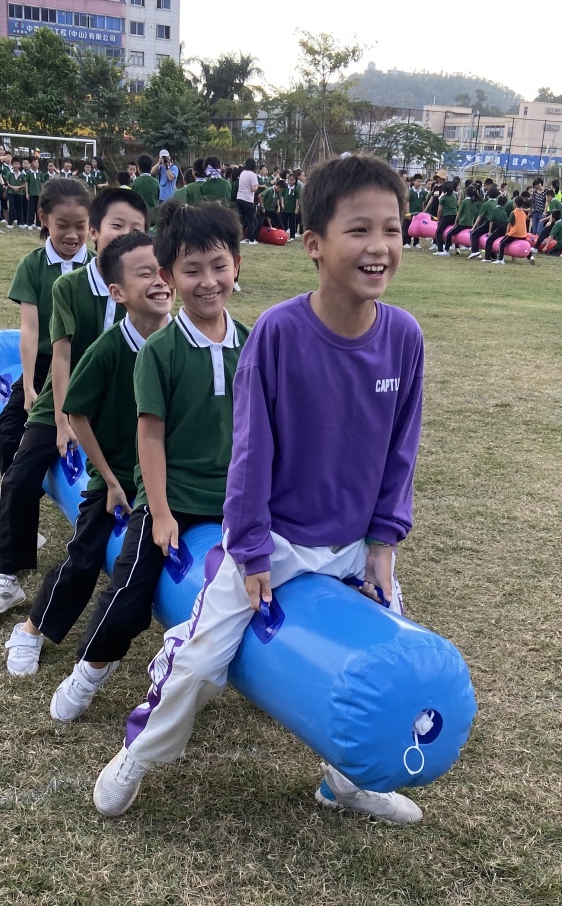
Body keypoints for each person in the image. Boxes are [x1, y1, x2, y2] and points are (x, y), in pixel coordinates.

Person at [93, 153, 425, 825]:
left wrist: (383, 545)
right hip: (272, 540)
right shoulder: (277, 333)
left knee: (381, 662)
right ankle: (139, 753)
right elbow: (250, 454)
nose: (379, 246)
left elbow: (401, 451)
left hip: (354, 545)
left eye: (392, 230)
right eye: (359, 230)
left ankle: (348, 781)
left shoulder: (404, 337)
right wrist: (248, 551)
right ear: (314, 244)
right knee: (198, 666)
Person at [47, 199, 249, 721]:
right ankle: (89, 670)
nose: (208, 281)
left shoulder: (252, 345)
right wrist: (158, 512)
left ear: (237, 265)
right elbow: (150, 437)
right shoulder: (160, 351)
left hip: (235, 500)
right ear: (168, 276)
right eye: (192, 270)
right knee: (131, 592)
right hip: (173, 496)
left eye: (219, 266)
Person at [3, 232, 173, 677]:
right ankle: (31, 628)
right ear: (117, 292)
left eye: (163, 271)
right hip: (118, 473)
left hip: (169, 477)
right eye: (145, 274)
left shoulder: (182, 342)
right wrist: (111, 481)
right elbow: (76, 413)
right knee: (86, 554)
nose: (159, 281)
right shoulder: (109, 349)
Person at [0, 188, 149, 617]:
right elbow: (62, 356)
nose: (126, 235)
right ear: (96, 231)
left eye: (137, 229)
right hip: (64, 398)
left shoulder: (148, 285)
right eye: (117, 226)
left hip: (123, 405)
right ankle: (6, 576)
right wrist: (64, 419)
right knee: (20, 474)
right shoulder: (69, 285)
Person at [0, 179, 93, 475]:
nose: (73, 235)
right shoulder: (32, 265)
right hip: (43, 367)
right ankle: (15, 487)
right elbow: (30, 328)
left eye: (81, 226)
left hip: (86, 365)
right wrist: (28, 386)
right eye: (63, 225)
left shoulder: (100, 268)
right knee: (9, 429)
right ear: (44, 219)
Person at [496, 195, 535, 265]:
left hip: (514, 232)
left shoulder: (513, 212)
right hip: (523, 233)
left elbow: (509, 224)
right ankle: (531, 257)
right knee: (524, 244)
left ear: (515, 204)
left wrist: (507, 233)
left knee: (502, 243)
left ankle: (500, 259)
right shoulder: (523, 212)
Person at [444, 184, 478, 253]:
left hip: (462, 224)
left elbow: (458, 213)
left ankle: (446, 250)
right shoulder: (474, 203)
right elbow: (475, 213)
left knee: (449, 234)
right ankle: (460, 249)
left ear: (466, 193)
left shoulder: (464, 202)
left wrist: (455, 223)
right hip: (470, 224)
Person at [468, 187, 499, 259]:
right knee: (491, 238)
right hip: (498, 224)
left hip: (488, 223)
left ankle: (475, 251)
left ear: (488, 194)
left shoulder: (486, 204)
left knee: (474, 234)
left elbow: (480, 216)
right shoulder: (497, 203)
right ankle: (493, 255)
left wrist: (473, 227)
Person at [236, 158, 259, 244]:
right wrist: (257, 186)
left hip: (239, 197)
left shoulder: (242, 173)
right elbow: (253, 188)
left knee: (241, 219)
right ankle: (251, 239)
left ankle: (240, 238)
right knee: (250, 220)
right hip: (248, 199)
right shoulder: (253, 175)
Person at [482, 195, 509, 262]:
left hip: (500, 227)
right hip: (506, 227)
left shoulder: (495, 210)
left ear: (497, 201)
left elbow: (491, 221)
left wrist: (489, 231)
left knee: (489, 241)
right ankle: (494, 256)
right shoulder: (503, 210)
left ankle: (487, 258)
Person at [433, 181, 458, 255]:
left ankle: (440, 250)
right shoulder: (454, 196)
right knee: (453, 231)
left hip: (447, 216)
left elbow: (439, 210)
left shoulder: (443, 198)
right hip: (454, 216)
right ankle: (456, 247)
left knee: (438, 233)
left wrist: (438, 220)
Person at [403, 173, 426, 248]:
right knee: (408, 227)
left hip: (418, 214)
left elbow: (423, 202)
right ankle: (406, 242)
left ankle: (416, 243)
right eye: (417, 181)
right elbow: (407, 202)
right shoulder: (410, 191)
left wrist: (423, 212)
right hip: (411, 213)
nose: (419, 183)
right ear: (414, 181)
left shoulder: (422, 192)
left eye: (420, 181)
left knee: (417, 228)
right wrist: (407, 213)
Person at [6, 159, 27, 229]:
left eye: (17, 164)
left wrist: (19, 187)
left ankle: (20, 223)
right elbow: (6, 183)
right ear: (12, 165)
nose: (16, 165)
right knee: (11, 208)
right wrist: (13, 187)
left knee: (19, 208)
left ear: (19, 165)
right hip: (11, 193)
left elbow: (24, 184)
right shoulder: (9, 173)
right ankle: (10, 223)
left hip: (19, 193)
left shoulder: (21, 174)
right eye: (15, 164)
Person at [25, 157, 44, 230]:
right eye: (35, 162)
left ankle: (38, 224)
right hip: (31, 194)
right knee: (30, 209)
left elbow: (42, 183)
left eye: (37, 162)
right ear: (31, 164)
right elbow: (26, 183)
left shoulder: (40, 173)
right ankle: (30, 223)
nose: (37, 164)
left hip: (38, 194)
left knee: (38, 210)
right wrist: (27, 193)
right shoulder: (28, 173)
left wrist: (43, 193)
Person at [282, 173, 301, 240]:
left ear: (295, 181)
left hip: (292, 209)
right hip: (285, 208)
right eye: (290, 180)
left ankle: (292, 236)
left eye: (292, 180)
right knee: (283, 221)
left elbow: (297, 199)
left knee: (292, 222)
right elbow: (282, 196)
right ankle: (283, 233)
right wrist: (282, 204)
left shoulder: (296, 189)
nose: (291, 181)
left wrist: (296, 208)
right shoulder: (285, 188)